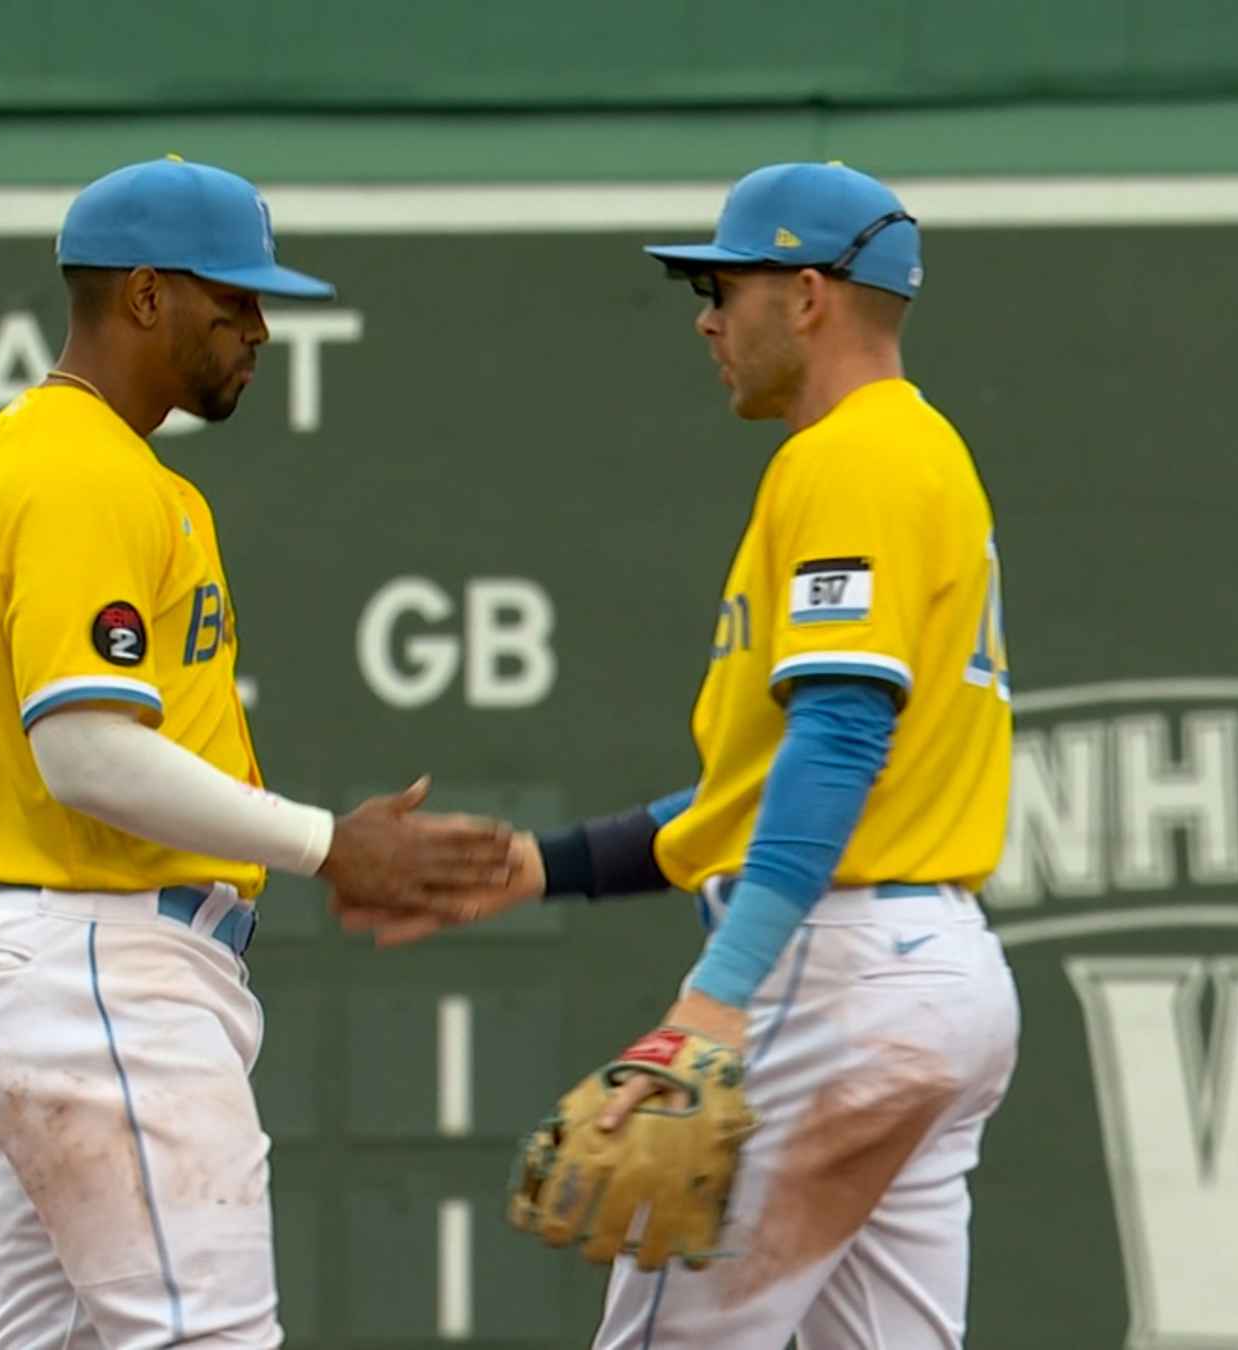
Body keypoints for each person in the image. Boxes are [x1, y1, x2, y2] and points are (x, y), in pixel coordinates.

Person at [0, 156, 511, 1346]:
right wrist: (325, 842)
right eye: (232, 300)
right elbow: (85, 753)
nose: (258, 329)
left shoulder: (1, 466)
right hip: (106, 972)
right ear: (144, 294)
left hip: (38, 963)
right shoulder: (86, 472)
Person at [335, 161, 1022, 1349]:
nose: (707, 317)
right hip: (940, 976)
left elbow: (842, 739)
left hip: (834, 969)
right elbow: (756, 795)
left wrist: (718, 996)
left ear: (807, 294)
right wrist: (545, 866)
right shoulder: (922, 454)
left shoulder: (848, 458)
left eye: (723, 285)